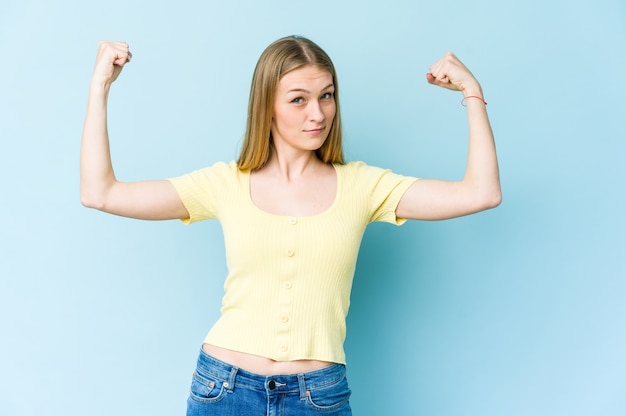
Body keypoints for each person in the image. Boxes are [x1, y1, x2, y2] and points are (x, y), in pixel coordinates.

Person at [80, 35, 501, 416]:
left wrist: (472, 93)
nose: (317, 113)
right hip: (222, 389)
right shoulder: (225, 183)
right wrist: (100, 88)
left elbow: (481, 193)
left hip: (318, 396)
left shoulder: (364, 186)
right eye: (298, 99)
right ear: (267, 106)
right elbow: (101, 193)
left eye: (327, 96)